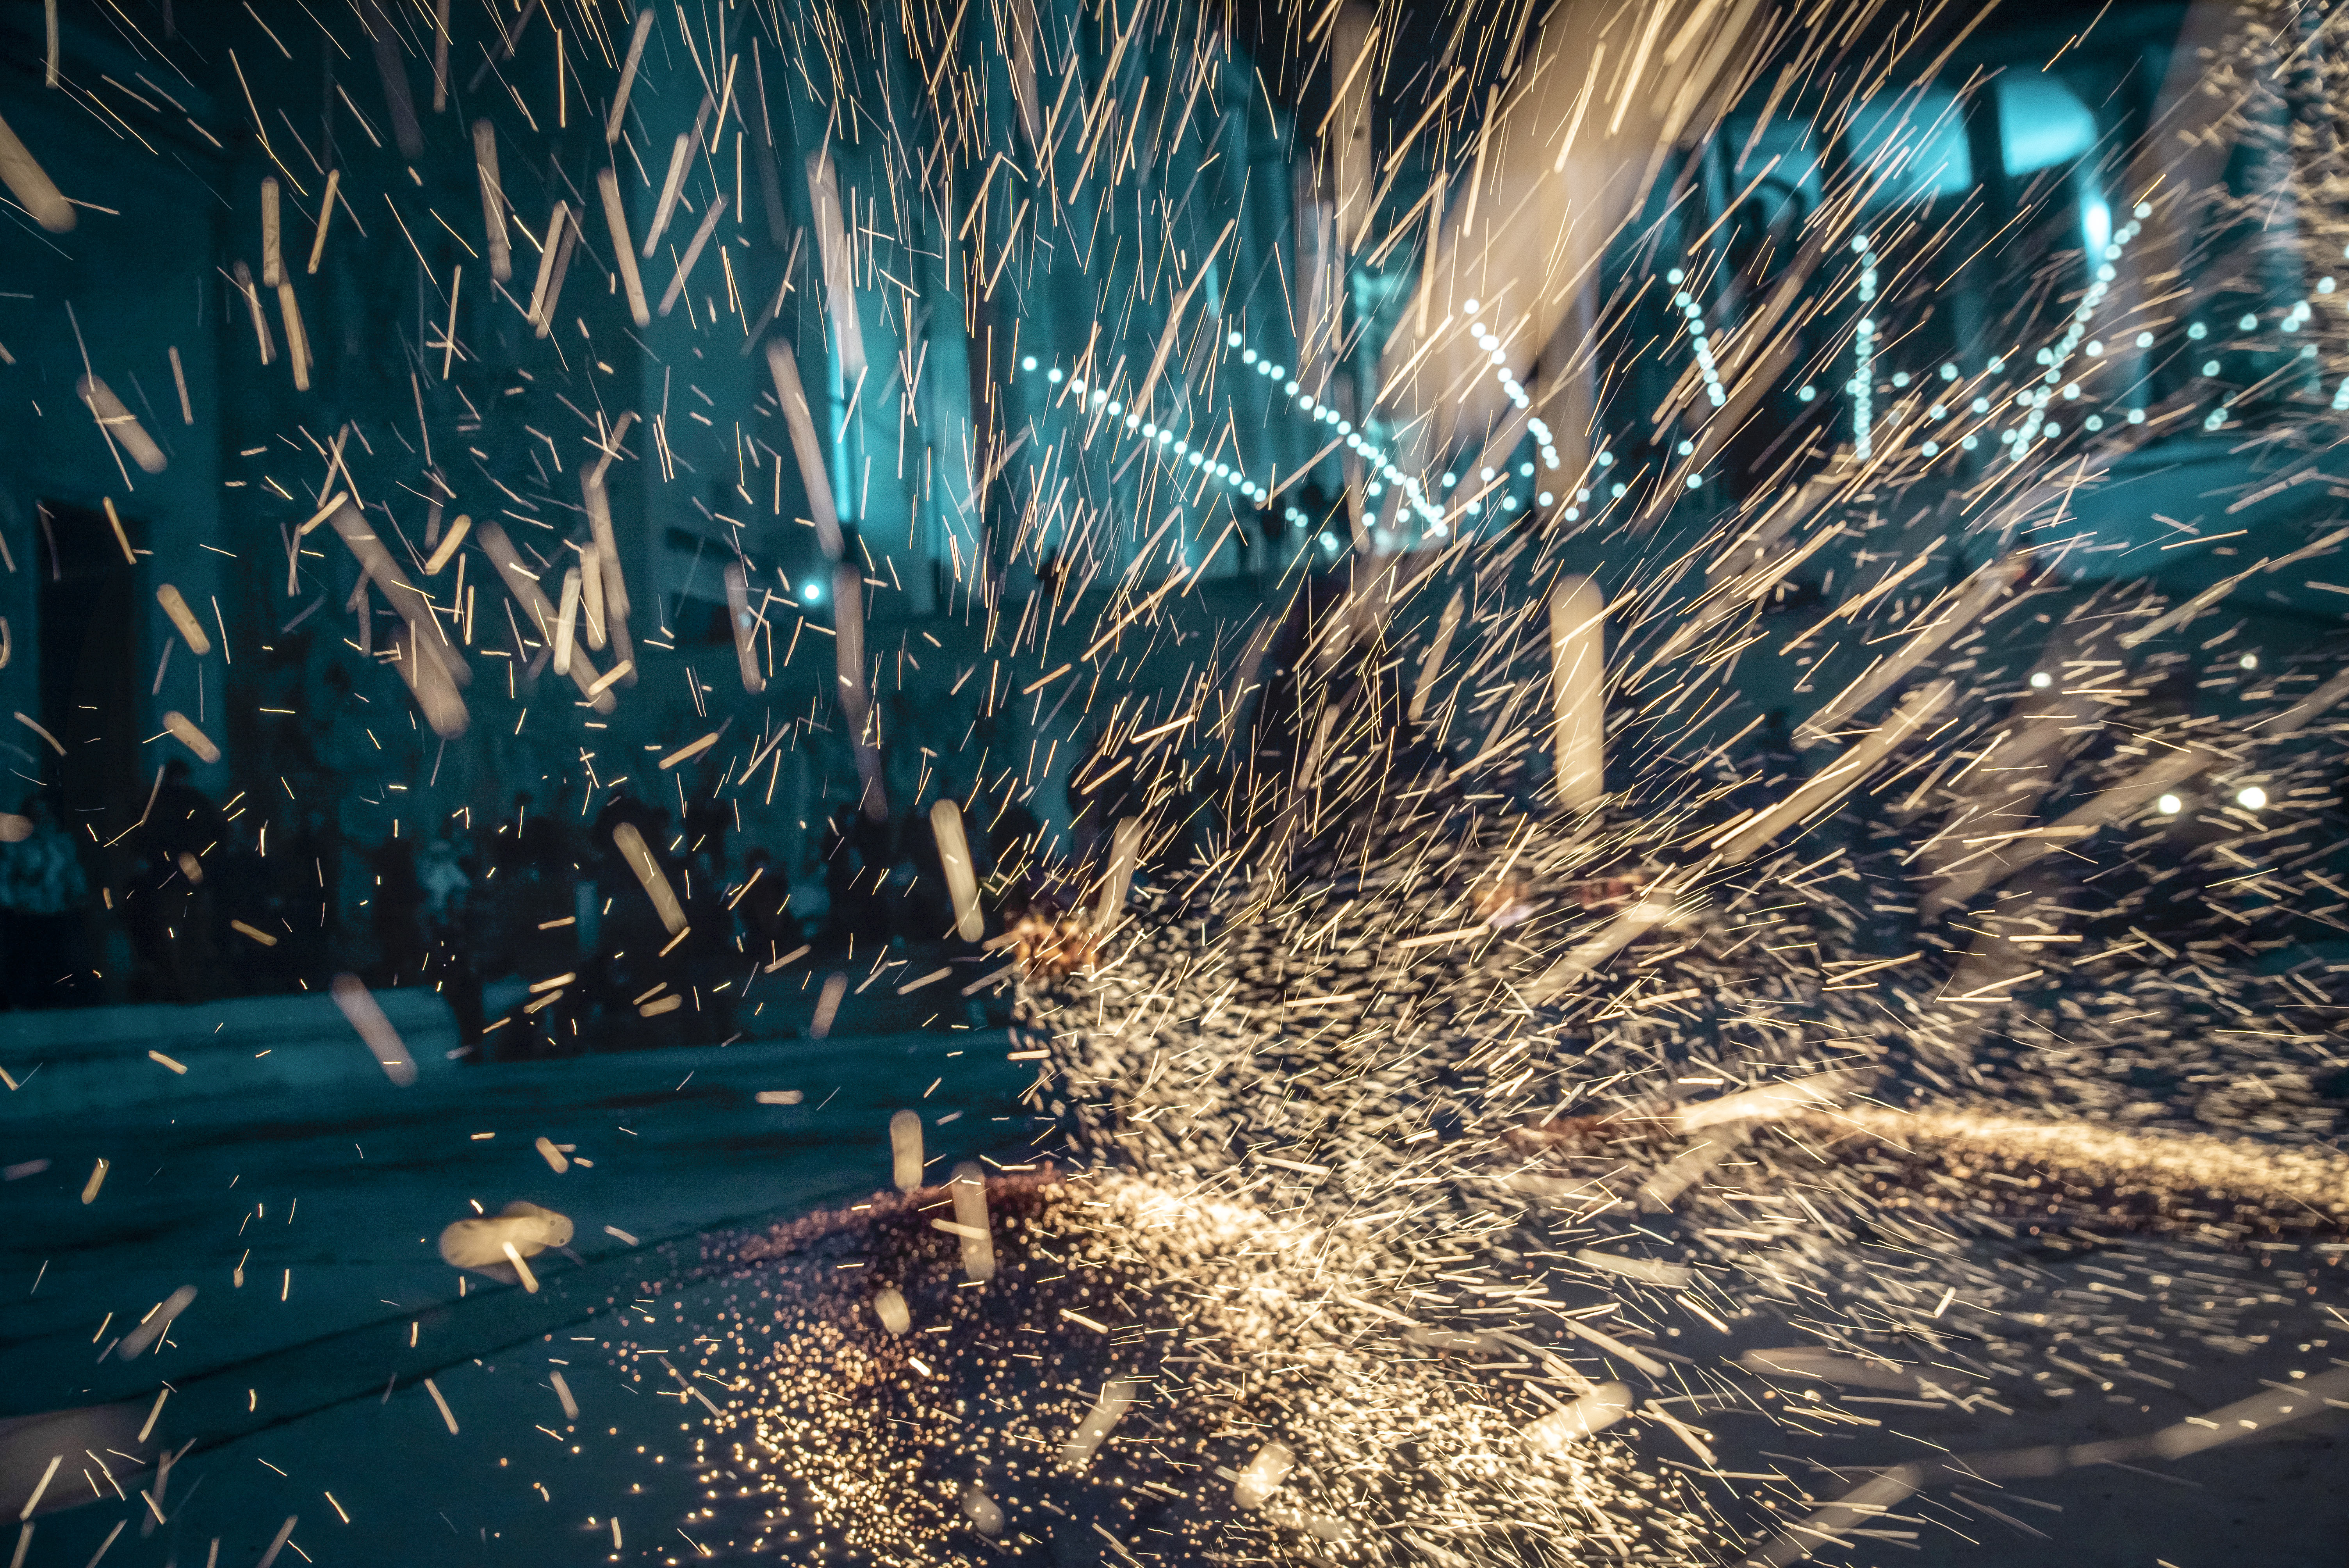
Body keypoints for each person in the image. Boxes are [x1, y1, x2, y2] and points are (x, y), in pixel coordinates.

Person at [0, 794, 90, 1009]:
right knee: (27, 958)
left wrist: (78, 893)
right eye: (35, 813)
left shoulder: (61, 842)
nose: (41, 818)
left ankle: (56, 1001)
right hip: (26, 913)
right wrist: (11, 904)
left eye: (44, 813)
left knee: (56, 957)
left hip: (57, 911)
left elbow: (72, 872)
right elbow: (6, 876)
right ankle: (23, 1002)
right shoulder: (16, 845)